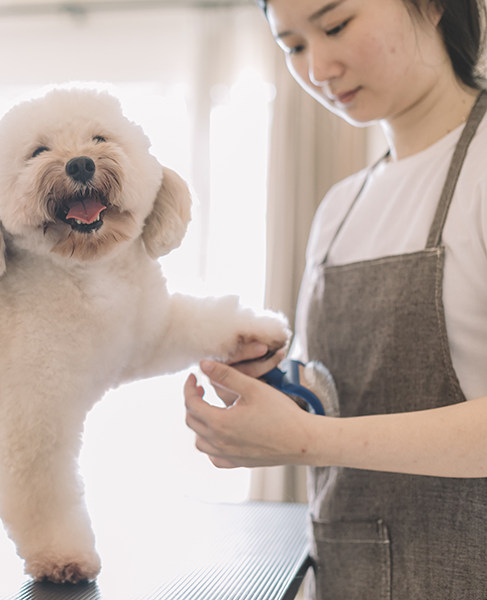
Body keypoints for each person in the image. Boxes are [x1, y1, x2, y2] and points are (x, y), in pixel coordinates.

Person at [182, 0, 487, 598]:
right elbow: (348, 393)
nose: (318, 67)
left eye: (337, 25)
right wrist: (276, 384)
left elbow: (325, 437)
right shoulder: (340, 208)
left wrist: (303, 441)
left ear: (430, 6)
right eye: (293, 46)